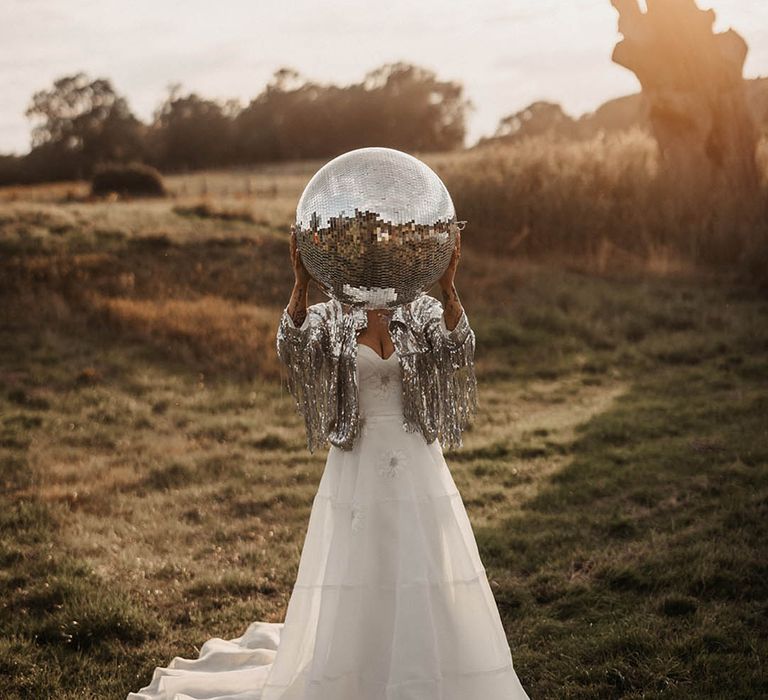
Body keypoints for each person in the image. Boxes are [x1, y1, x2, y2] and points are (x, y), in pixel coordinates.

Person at [127, 228, 529, 700]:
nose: (378, 266)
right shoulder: (332, 315)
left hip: (416, 455)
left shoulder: (419, 309)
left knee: (424, 558)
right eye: (369, 259)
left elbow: (459, 348)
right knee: (360, 561)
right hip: (357, 460)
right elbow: (291, 349)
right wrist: (300, 284)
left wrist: (449, 288)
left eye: (387, 258)